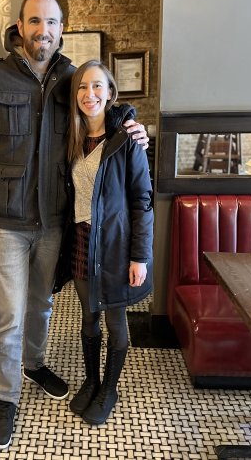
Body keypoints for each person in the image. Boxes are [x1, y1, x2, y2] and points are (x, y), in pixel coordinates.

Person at [0, 0, 149, 450]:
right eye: (35, 21)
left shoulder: (69, 78)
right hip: (3, 220)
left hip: (55, 221)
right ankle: (6, 399)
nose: (44, 30)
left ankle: (35, 363)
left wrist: (131, 121)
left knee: (42, 304)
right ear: (20, 26)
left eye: (53, 22)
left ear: (62, 28)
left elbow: (99, 107)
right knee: (9, 314)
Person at [65, 60, 154, 425]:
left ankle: (109, 388)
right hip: (80, 240)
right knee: (88, 318)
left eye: (98, 86)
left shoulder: (128, 139)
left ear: (111, 92)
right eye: (83, 87)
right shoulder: (69, 137)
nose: (90, 94)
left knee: (116, 322)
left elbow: (142, 200)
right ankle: (91, 380)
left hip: (115, 244)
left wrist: (140, 257)